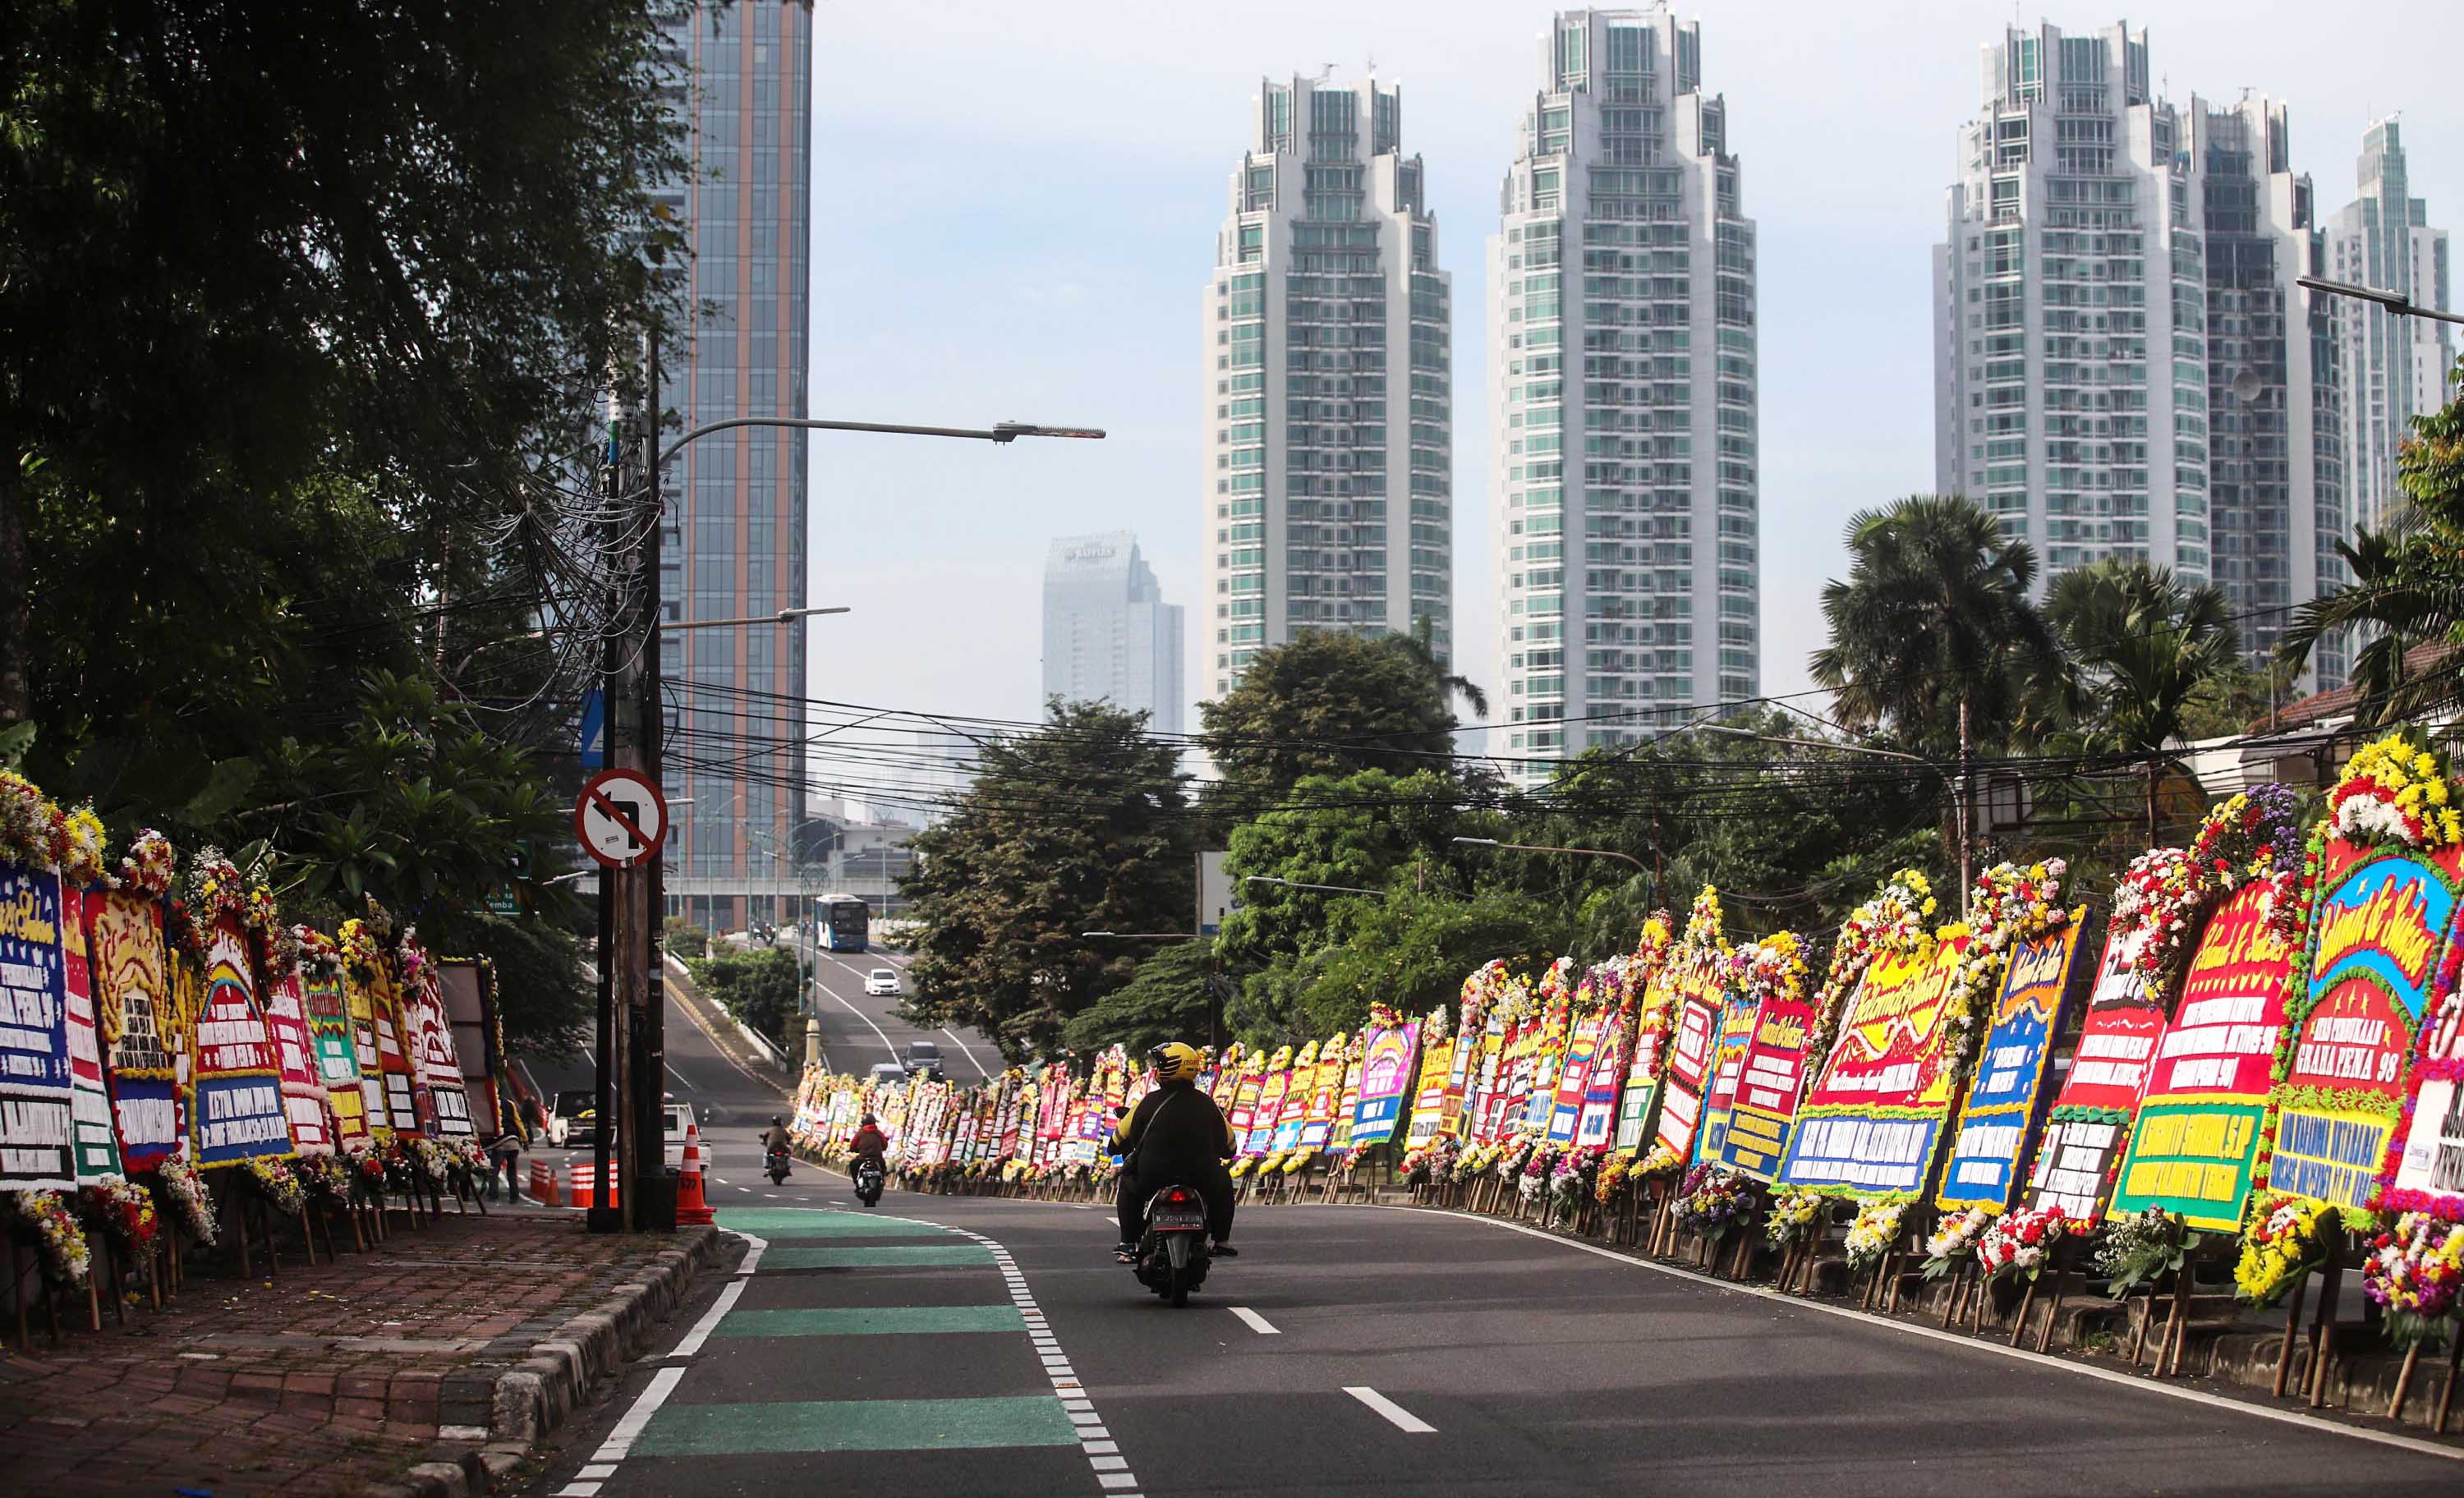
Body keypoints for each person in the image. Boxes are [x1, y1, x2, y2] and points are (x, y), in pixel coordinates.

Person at [1110, 1041, 1238, 1262]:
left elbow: (1116, 1142)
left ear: (1169, 1067)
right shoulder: (1208, 1104)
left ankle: (1128, 1243)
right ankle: (1221, 1241)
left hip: (1152, 1176)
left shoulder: (1147, 1103)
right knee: (1224, 1184)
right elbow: (1230, 1147)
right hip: (1201, 1177)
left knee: (1128, 1185)